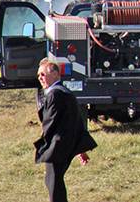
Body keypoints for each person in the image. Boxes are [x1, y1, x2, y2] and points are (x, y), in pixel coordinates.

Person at [34, 59, 97, 202]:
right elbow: (77, 121)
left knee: (53, 182)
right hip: (66, 144)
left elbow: (49, 123)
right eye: (39, 75)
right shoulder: (67, 92)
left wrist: (44, 146)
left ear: (55, 74)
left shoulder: (55, 94)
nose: (40, 78)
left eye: (43, 74)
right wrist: (80, 148)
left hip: (57, 146)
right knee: (55, 181)